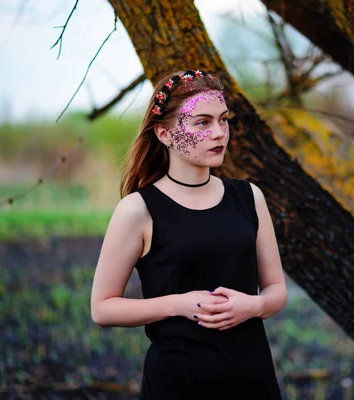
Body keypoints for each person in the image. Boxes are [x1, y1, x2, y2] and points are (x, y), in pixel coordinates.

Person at [90, 69, 287, 399]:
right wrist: (179, 304)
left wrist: (252, 306)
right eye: (202, 123)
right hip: (178, 383)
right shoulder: (138, 209)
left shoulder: (249, 197)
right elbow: (103, 309)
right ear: (164, 134)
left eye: (223, 120)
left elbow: (276, 290)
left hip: (253, 379)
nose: (219, 133)